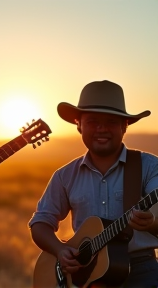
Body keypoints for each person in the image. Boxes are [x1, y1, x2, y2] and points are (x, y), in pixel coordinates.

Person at [29, 80, 158, 288]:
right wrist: (60, 250)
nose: (101, 129)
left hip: (141, 273)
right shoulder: (65, 175)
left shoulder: (150, 166)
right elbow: (40, 223)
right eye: (92, 121)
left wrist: (151, 221)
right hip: (85, 278)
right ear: (78, 125)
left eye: (111, 121)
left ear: (125, 126)